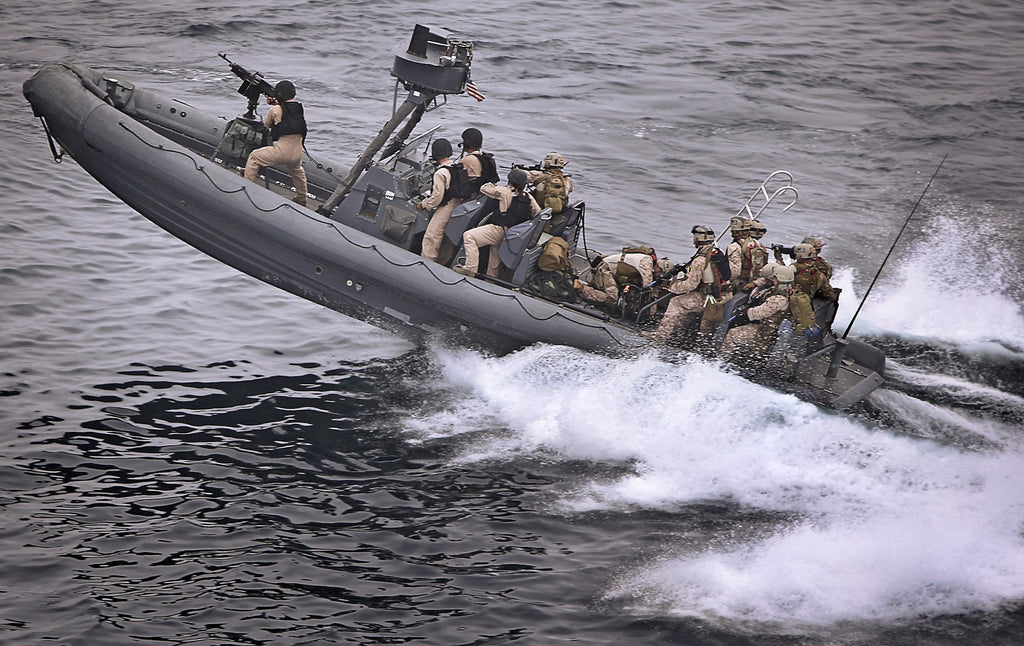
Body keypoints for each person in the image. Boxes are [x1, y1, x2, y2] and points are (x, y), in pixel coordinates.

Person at [456, 168, 541, 277]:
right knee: (494, 258)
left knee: (469, 236)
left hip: (499, 230)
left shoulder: (504, 192)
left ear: (510, 181)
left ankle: (470, 269)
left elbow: (484, 188)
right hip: (512, 235)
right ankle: (490, 280)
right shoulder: (528, 197)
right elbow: (537, 212)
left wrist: (492, 184)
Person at [655, 225, 726, 344]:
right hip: (721, 293)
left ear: (698, 238)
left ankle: (660, 337)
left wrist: (670, 286)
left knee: (676, 302)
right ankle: (678, 337)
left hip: (708, 298)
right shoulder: (716, 252)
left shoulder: (700, 259)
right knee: (686, 306)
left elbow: (690, 285)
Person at [243, 80, 308, 206]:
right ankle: (302, 197)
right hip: (297, 153)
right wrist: (277, 104)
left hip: (282, 151)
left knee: (254, 157)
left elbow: (266, 125)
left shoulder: (275, 109)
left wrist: (274, 106)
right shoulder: (300, 108)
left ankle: (246, 187)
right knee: (297, 171)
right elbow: (289, 113)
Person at [719, 263, 795, 362]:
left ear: (781, 280)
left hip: (764, 331)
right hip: (761, 325)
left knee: (732, 334)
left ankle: (720, 362)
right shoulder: (777, 290)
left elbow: (758, 313)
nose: (773, 280)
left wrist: (744, 312)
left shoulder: (779, 299)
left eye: (775, 278)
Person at [417, 138, 461, 263]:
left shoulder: (440, 173)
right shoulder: (456, 167)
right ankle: (443, 263)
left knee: (431, 236)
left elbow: (437, 198)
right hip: (457, 206)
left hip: (446, 208)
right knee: (446, 237)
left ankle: (426, 263)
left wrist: (424, 204)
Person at [526, 152, 573, 216]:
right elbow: (568, 192)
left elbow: (520, 176)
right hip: (558, 214)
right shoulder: (567, 180)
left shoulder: (539, 175)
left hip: (539, 212)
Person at [725, 216, 751, 290]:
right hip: (753, 282)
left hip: (740, 284)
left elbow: (735, 272)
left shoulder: (734, 247)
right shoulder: (757, 244)